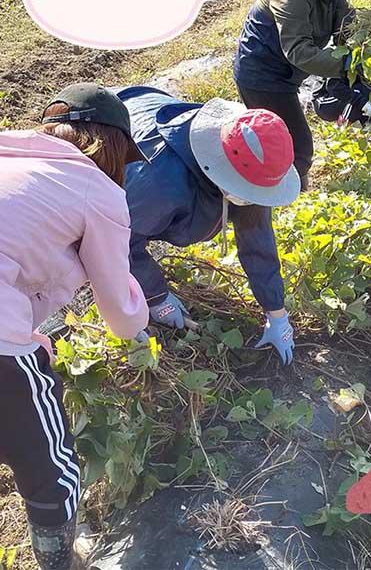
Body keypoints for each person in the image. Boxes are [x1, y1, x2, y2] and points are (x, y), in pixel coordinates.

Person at [1, 83, 149, 570]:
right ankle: (59, 563)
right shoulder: (97, 190)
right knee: (53, 471)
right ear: (112, 145)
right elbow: (121, 316)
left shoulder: (10, 153)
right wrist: (146, 312)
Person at [115, 86, 300, 365]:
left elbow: (256, 236)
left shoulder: (253, 157)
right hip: (110, 129)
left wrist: (278, 314)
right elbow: (119, 241)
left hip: (148, 114)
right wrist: (155, 296)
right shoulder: (157, 182)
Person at [234, 0, 359, 192]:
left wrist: (367, 44)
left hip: (286, 75)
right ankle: (287, 199)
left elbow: (344, 23)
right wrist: (349, 64)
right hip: (262, 76)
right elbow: (299, 52)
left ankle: (272, 188)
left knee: (278, 140)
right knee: (298, 147)